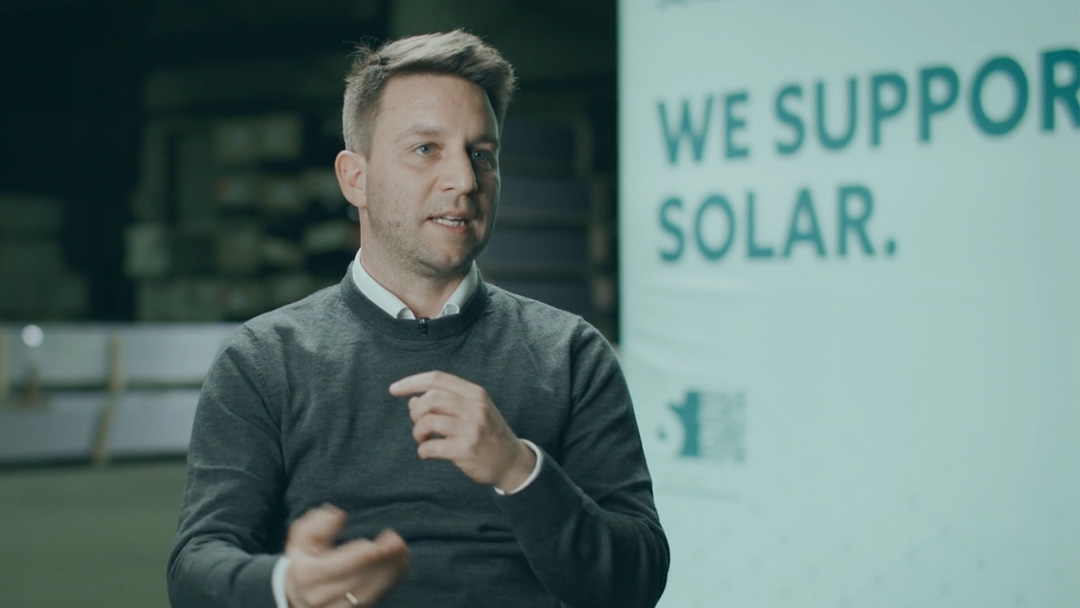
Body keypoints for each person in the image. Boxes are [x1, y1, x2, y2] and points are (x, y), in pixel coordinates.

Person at [166, 29, 669, 608]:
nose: (464, 180)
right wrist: (286, 588)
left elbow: (637, 581)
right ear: (354, 177)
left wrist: (519, 468)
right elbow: (195, 570)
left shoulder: (571, 354)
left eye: (482, 154)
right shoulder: (263, 361)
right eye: (426, 149)